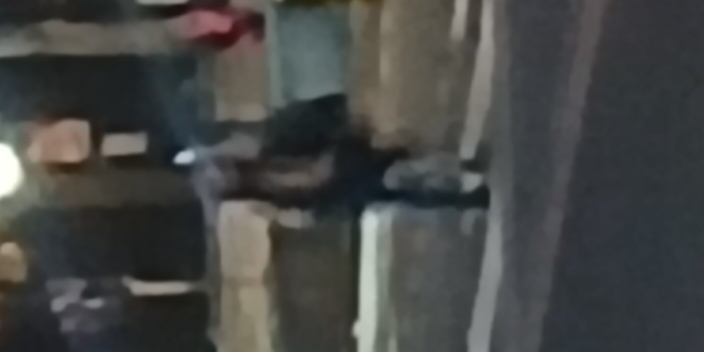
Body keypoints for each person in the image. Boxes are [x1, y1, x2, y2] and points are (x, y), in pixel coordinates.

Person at [194, 93, 488, 213]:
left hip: (345, 159)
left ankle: (456, 171)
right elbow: (307, 198)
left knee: (402, 162)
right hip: (343, 187)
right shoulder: (269, 193)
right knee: (401, 187)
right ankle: (462, 194)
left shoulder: (273, 147)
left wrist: (345, 133)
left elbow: (312, 126)